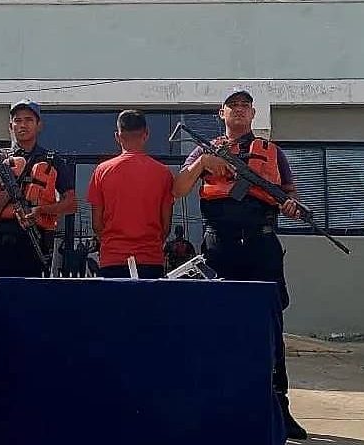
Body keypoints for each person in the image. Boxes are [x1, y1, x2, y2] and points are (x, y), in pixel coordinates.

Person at [172, 89, 308, 440]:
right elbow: (178, 188)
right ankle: (218, 405)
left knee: (270, 328)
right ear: (222, 113)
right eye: (233, 106)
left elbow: (290, 192)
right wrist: (202, 163)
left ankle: (279, 408)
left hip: (262, 245)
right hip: (221, 247)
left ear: (253, 114)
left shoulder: (272, 152)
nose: (239, 110)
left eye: (245, 106)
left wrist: (290, 205)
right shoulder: (204, 149)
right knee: (218, 325)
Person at [0, 99, 76, 426]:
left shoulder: (54, 160)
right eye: (17, 120)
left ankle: (27, 399)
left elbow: (71, 203)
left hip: (34, 249)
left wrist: (41, 211)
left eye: (28, 120)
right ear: (10, 126)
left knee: (28, 324)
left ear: (39, 125)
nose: (22, 125)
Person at [87, 110, 173, 278]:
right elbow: (166, 226)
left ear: (117, 137)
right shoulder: (163, 173)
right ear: (146, 135)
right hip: (150, 258)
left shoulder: (102, 171)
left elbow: (97, 224)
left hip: (113, 258)